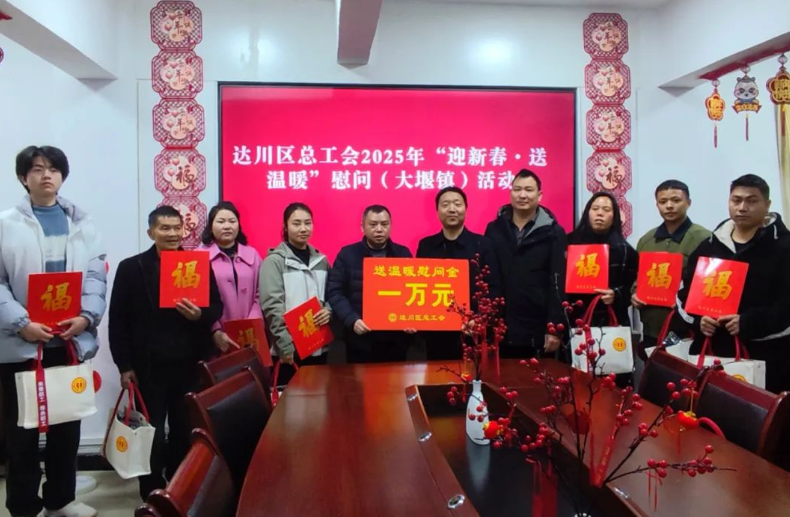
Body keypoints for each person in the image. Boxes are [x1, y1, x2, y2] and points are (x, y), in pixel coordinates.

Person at [0, 146, 106, 517]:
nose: (46, 175)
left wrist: (86, 317)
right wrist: (22, 323)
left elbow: (95, 275)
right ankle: (24, 506)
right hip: (22, 344)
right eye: (37, 169)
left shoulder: (83, 223)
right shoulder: (5, 223)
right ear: (23, 178)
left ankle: (60, 501)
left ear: (62, 176)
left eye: (53, 169)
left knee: (67, 425)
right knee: (22, 432)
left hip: (68, 341)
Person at [109, 206, 223, 500]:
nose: (172, 234)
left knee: (185, 429)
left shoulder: (196, 265)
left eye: (176, 228)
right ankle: (150, 492)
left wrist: (199, 314)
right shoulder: (131, 268)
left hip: (188, 364)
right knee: (152, 433)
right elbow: (118, 320)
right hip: (148, 367)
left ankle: (178, 487)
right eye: (165, 228)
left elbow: (216, 308)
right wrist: (124, 365)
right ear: (151, 232)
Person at [677, 174, 790, 394]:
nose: (742, 207)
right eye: (736, 200)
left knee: (762, 412)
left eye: (752, 201)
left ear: (767, 204)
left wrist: (749, 322)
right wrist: (699, 320)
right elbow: (684, 293)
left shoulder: (784, 247)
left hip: (769, 357)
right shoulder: (709, 246)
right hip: (712, 354)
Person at [485, 169, 567, 358]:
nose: (522, 195)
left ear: (540, 195)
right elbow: (489, 276)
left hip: (537, 326)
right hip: (500, 326)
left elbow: (558, 282)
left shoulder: (554, 232)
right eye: (517, 189)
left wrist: (554, 327)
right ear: (510, 193)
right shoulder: (494, 229)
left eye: (529, 190)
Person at [416, 186, 500, 360]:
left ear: (466, 209)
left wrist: (479, 319)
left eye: (457, 204)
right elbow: (417, 285)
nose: (452, 209)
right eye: (445, 204)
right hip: (435, 334)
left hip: (472, 332)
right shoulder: (426, 246)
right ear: (437, 211)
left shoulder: (483, 245)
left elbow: (494, 287)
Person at [327, 205, 414, 363]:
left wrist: (411, 319)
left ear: (391, 226)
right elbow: (335, 292)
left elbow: (414, 290)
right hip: (360, 339)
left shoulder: (403, 254)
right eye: (373, 225)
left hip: (396, 340)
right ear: (362, 227)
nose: (379, 229)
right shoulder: (347, 254)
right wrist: (352, 319)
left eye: (384, 224)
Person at [631, 180, 709, 352]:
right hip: (651, 326)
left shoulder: (703, 238)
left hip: (687, 329)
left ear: (688, 202)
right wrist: (635, 293)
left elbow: (707, 285)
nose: (669, 206)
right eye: (663, 201)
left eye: (676, 200)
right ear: (657, 205)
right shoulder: (647, 240)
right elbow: (637, 276)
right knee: (654, 365)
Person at [259, 203, 332, 385]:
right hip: (289, 350)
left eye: (308, 223)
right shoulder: (274, 262)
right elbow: (272, 307)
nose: (303, 228)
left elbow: (331, 295)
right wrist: (284, 345)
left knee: (319, 398)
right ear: (285, 226)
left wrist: (328, 310)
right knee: (291, 400)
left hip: (318, 346)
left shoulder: (321, 260)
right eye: (296, 223)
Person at [568, 192, 638, 328]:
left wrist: (616, 295)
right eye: (595, 209)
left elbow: (632, 289)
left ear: (614, 216)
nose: (600, 213)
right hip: (575, 319)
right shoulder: (568, 243)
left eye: (606, 210)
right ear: (587, 213)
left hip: (611, 321)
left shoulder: (626, 250)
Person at [200, 201, 263, 352]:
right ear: (211, 226)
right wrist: (215, 330)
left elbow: (261, 292)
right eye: (221, 221)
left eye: (232, 221)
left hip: (251, 333)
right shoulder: (199, 256)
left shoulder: (252, 255)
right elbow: (199, 300)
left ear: (238, 226)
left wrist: (252, 322)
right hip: (215, 337)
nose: (227, 226)